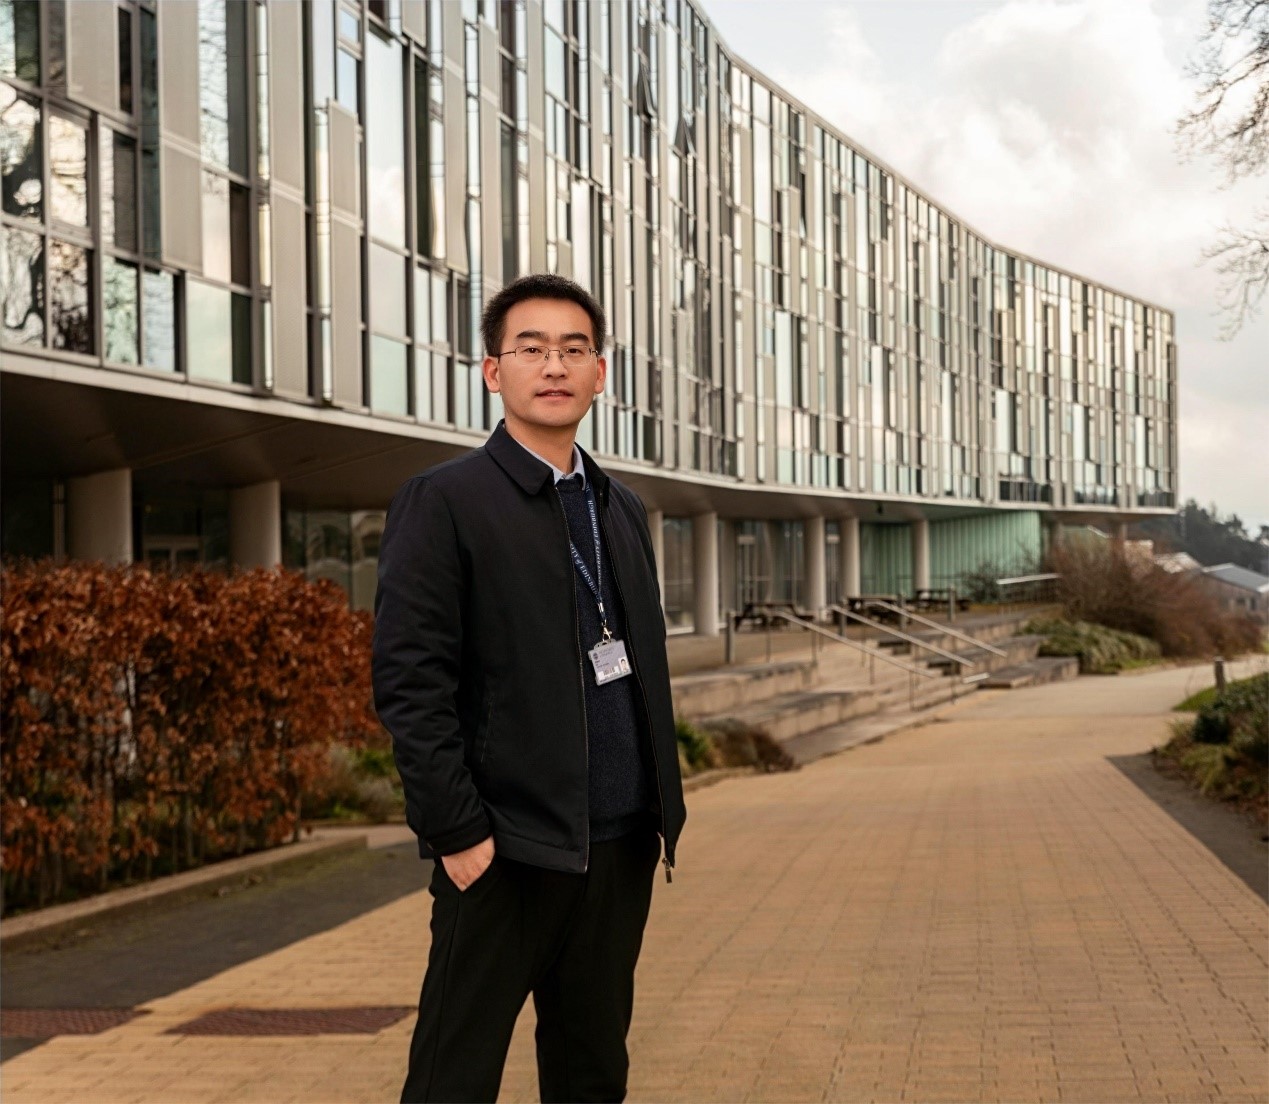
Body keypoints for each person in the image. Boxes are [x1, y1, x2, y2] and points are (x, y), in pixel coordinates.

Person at [372, 273, 687, 1104]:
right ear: (492, 371)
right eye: (531, 348)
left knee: (592, 1075)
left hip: (616, 848)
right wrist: (456, 832)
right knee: (453, 1077)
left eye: (573, 349)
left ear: (600, 373)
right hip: (502, 852)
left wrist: (660, 812)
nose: (554, 365)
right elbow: (410, 681)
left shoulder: (621, 508)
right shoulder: (444, 502)